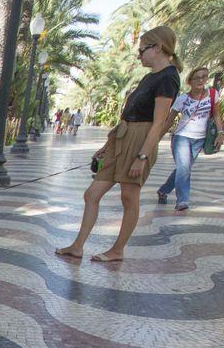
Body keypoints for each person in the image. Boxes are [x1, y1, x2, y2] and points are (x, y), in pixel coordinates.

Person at [56, 26, 181, 262]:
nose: (139, 55)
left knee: (129, 197)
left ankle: (117, 250)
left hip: (140, 139)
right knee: (91, 194)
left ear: (158, 47)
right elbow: (129, 114)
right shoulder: (150, 77)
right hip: (123, 136)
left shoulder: (168, 78)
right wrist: (108, 144)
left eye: (142, 49)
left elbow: (158, 123)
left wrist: (142, 156)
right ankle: (78, 245)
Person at [156, 66, 224, 211]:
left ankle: (163, 190)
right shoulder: (182, 99)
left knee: (183, 169)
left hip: (200, 139)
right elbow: (168, 121)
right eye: (197, 77)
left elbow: (217, 114)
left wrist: (220, 132)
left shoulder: (213, 94)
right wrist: (155, 139)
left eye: (204, 77)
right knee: (184, 168)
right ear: (190, 81)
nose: (201, 80)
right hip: (181, 138)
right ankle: (182, 201)